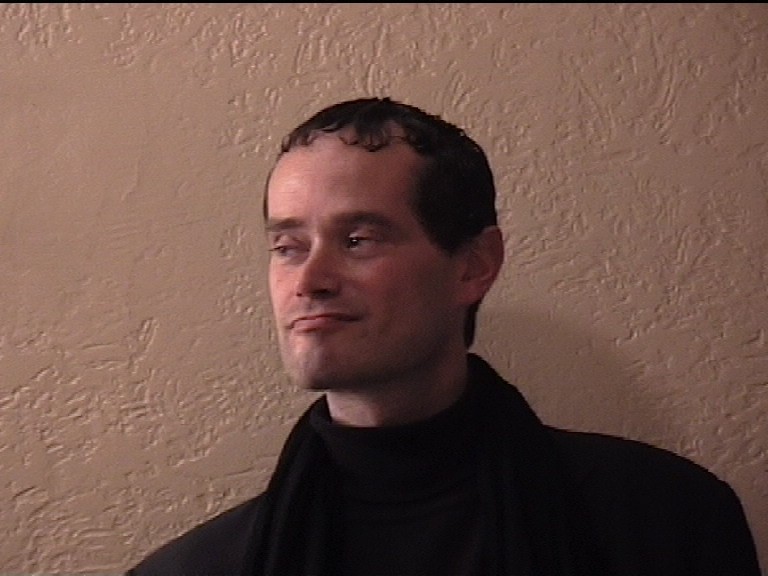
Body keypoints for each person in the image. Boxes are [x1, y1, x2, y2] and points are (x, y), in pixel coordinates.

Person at [127, 97, 761, 576]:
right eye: (288, 246)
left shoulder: (664, 520)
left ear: (474, 266)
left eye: (358, 240)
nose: (310, 280)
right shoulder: (194, 568)